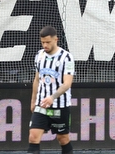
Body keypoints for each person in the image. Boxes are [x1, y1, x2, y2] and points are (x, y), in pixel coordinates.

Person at [29, 25, 75, 154]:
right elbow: (37, 79)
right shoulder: (39, 55)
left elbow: (67, 84)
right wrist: (33, 101)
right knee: (33, 137)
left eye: (48, 42)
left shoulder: (67, 57)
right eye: (43, 42)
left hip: (59, 106)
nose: (45, 45)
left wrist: (52, 97)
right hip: (41, 105)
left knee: (63, 138)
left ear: (56, 40)